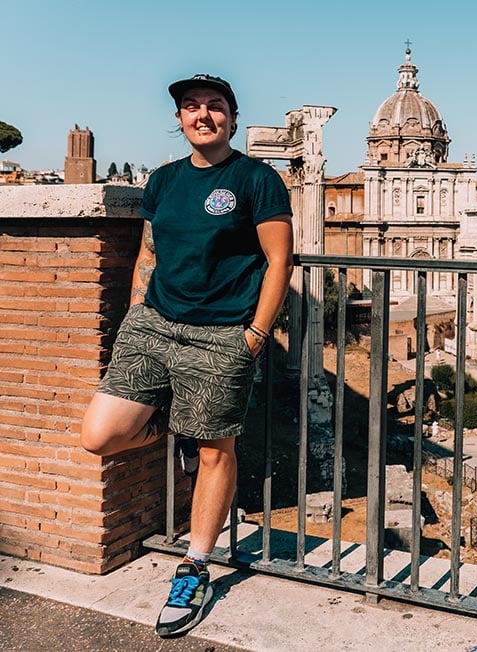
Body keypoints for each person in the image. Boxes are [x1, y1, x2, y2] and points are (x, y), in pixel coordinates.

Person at [79, 73, 293, 638]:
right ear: (179, 119)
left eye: (215, 106)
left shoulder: (257, 179)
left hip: (222, 335)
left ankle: (195, 566)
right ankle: (177, 429)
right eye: (193, 107)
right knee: (98, 434)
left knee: (216, 453)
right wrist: (133, 314)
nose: (204, 115)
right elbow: (149, 249)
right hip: (152, 326)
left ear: (232, 117)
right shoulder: (164, 180)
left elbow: (279, 262)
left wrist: (255, 335)